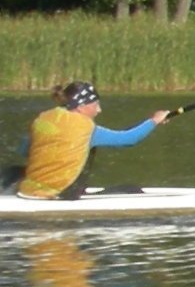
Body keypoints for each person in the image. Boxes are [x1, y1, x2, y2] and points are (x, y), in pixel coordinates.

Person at [9, 82, 170, 200]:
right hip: (62, 193)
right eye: (96, 105)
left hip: (28, 190)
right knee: (131, 189)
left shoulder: (43, 119)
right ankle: (69, 191)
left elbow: (24, 150)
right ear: (81, 107)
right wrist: (155, 121)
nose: (99, 110)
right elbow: (128, 139)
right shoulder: (86, 128)